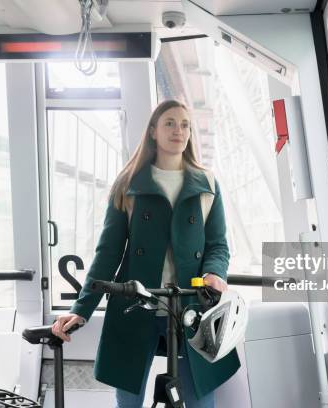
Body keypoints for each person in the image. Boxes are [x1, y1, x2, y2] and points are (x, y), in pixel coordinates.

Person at [52, 100, 241, 408]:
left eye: (184, 125)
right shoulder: (128, 185)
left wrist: (215, 273)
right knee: (128, 400)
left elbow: (217, 245)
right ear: (153, 131)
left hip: (191, 306)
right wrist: (81, 308)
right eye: (169, 123)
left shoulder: (207, 184)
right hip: (135, 304)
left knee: (201, 401)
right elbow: (108, 254)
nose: (178, 131)